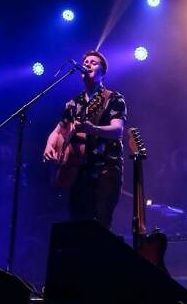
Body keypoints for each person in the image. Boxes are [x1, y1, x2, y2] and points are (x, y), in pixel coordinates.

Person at [43, 50, 127, 229]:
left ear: (103, 72)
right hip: (78, 172)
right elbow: (58, 131)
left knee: (100, 225)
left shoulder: (113, 98)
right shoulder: (73, 103)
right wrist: (50, 144)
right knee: (78, 225)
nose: (88, 64)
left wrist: (92, 129)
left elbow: (117, 130)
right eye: (86, 62)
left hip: (106, 170)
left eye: (94, 63)